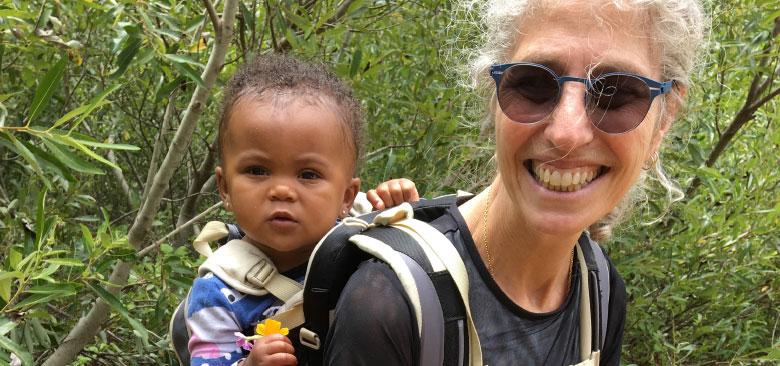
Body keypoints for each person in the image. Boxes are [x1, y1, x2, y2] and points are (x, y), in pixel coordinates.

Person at [324, 0, 705, 365]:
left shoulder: (600, 293)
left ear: (664, 119)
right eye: (534, 84)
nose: (566, 133)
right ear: (495, 97)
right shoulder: (387, 304)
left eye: (616, 93)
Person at [185, 53, 420, 366]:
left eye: (308, 175)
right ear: (224, 187)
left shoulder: (365, 234)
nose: (281, 190)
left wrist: (402, 207)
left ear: (347, 196)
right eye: (257, 170)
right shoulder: (217, 292)